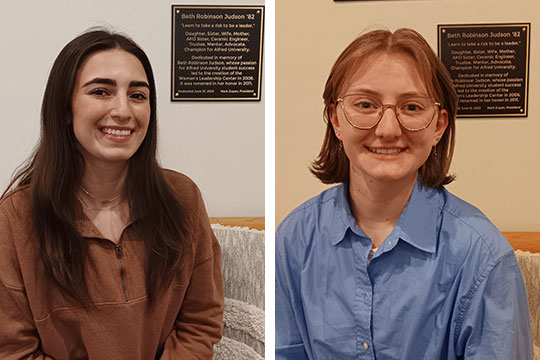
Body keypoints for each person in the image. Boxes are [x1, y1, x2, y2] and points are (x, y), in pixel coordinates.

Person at [275, 28, 533, 359]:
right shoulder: (294, 239)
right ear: (336, 119)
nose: (387, 129)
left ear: (438, 125)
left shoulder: (483, 256)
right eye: (365, 104)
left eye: (411, 107)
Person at [0, 28, 223, 359]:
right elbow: (14, 351)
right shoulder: (14, 218)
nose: (123, 110)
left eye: (137, 95)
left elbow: (201, 323)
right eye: (101, 92)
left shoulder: (183, 198)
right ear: (65, 109)